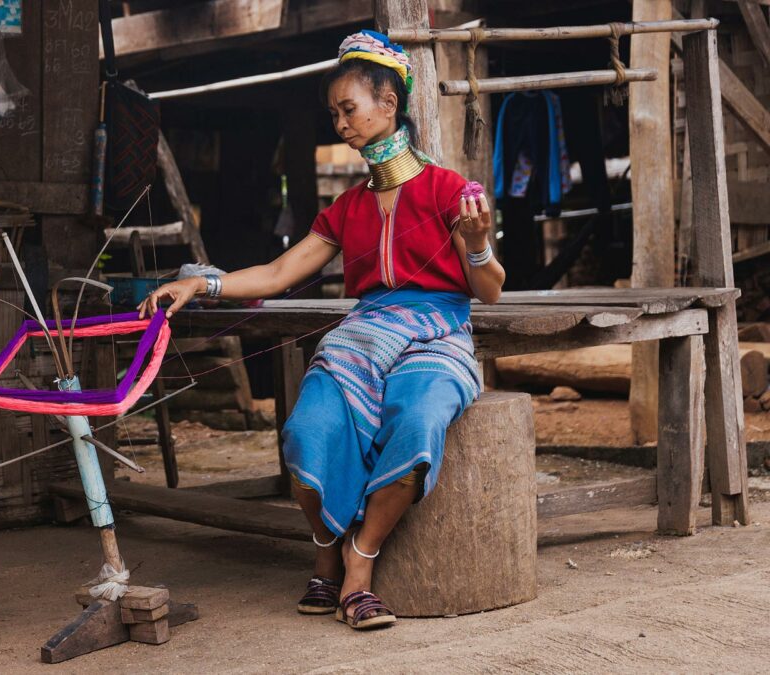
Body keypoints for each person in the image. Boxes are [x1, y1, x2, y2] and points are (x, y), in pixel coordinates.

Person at [140, 30, 505, 630]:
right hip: (363, 337)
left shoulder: (449, 191)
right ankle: (325, 552)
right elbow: (281, 271)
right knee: (306, 433)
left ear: (389, 104)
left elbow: (489, 289)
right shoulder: (348, 207)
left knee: (416, 423)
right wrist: (202, 284)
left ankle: (357, 566)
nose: (340, 123)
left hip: (438, 337)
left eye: (349, 109)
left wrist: (475, 243)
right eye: (334, 114)